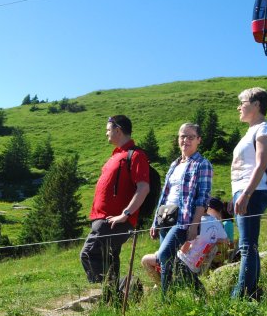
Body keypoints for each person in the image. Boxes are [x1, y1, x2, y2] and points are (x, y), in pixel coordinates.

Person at [80, 115, 150, 290]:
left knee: (88, 254)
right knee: (110, 260)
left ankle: (110, 291)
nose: (106, 134)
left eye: (108, 130)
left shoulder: (136, 155)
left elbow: (143, 188)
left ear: (118, 130)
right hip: (105, 219)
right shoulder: (117, 155)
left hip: (113, 221)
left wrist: (125, 214)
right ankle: (116, 299)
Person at [141, 123, 212, 295]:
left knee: (165, 255)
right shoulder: (174, 164)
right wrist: (155, 222)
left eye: (190, 137)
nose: (186, 140)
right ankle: (171, 301)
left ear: (198, 140)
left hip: (184, 219)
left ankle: (197, 292)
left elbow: (203, 197)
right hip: (166, 216)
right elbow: (164, 195)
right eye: (182, 136)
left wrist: (194, 225)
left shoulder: (202, 164)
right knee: (167, 264)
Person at [230, 87, 267, 300]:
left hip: (254, 192)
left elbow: (260, 166)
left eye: (243, 103)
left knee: (247, 246)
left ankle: (241, 296)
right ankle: (252, 292)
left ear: (257, 105)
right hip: (245, 191)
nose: (239, 107)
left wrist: (246, 194)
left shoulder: (264, 130)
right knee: (249, 245)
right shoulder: (252, 130)